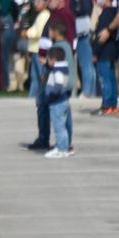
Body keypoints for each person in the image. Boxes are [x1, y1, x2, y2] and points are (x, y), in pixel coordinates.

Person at [37, 27, 75, 158]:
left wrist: (51, 95)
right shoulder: (62, 65)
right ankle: (63, 146)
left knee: (59, 126)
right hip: (60, 100)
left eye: (48, 59)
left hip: (57, 101)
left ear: (53, 60)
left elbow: (58, 85)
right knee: (61, 125)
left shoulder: (58, 70)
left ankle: (61, 147)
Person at [68, 0, 97, 98]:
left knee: (85, 63)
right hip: (82, 29)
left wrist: (74, 11)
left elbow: (85, 8)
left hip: (82, 30)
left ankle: (87, 91)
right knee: (86, 62)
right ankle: (89, 90)